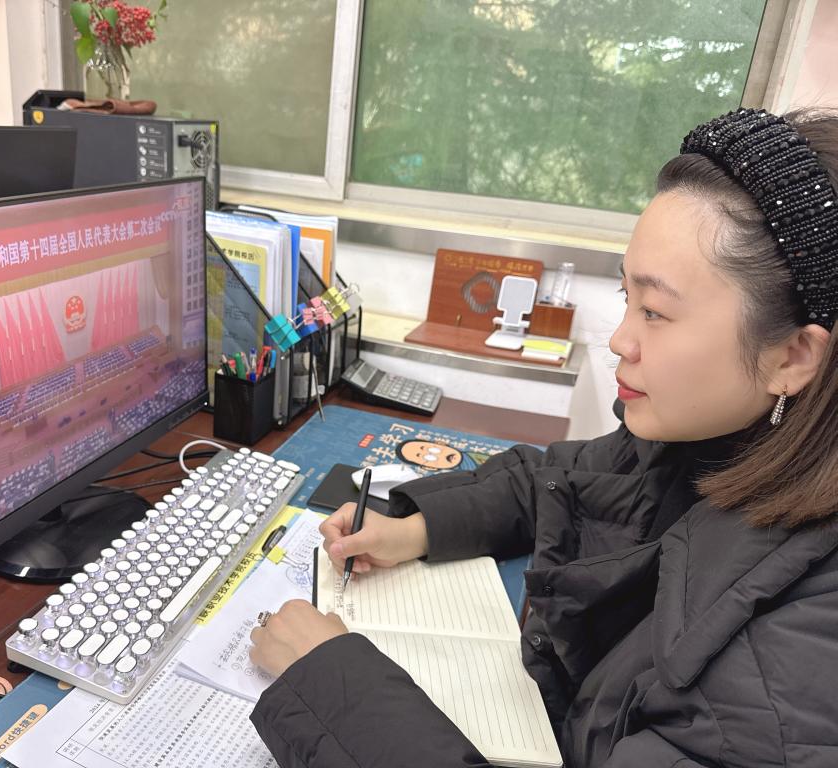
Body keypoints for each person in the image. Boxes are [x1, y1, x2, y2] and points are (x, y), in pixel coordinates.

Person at [248, 107, 838, 767]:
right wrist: (416, 529)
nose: (620, 341)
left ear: (793, 357)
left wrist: (328, 681)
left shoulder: (808, 641)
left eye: (655, 312)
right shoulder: (712, 435)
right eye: (626, 297)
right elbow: (559, 481)